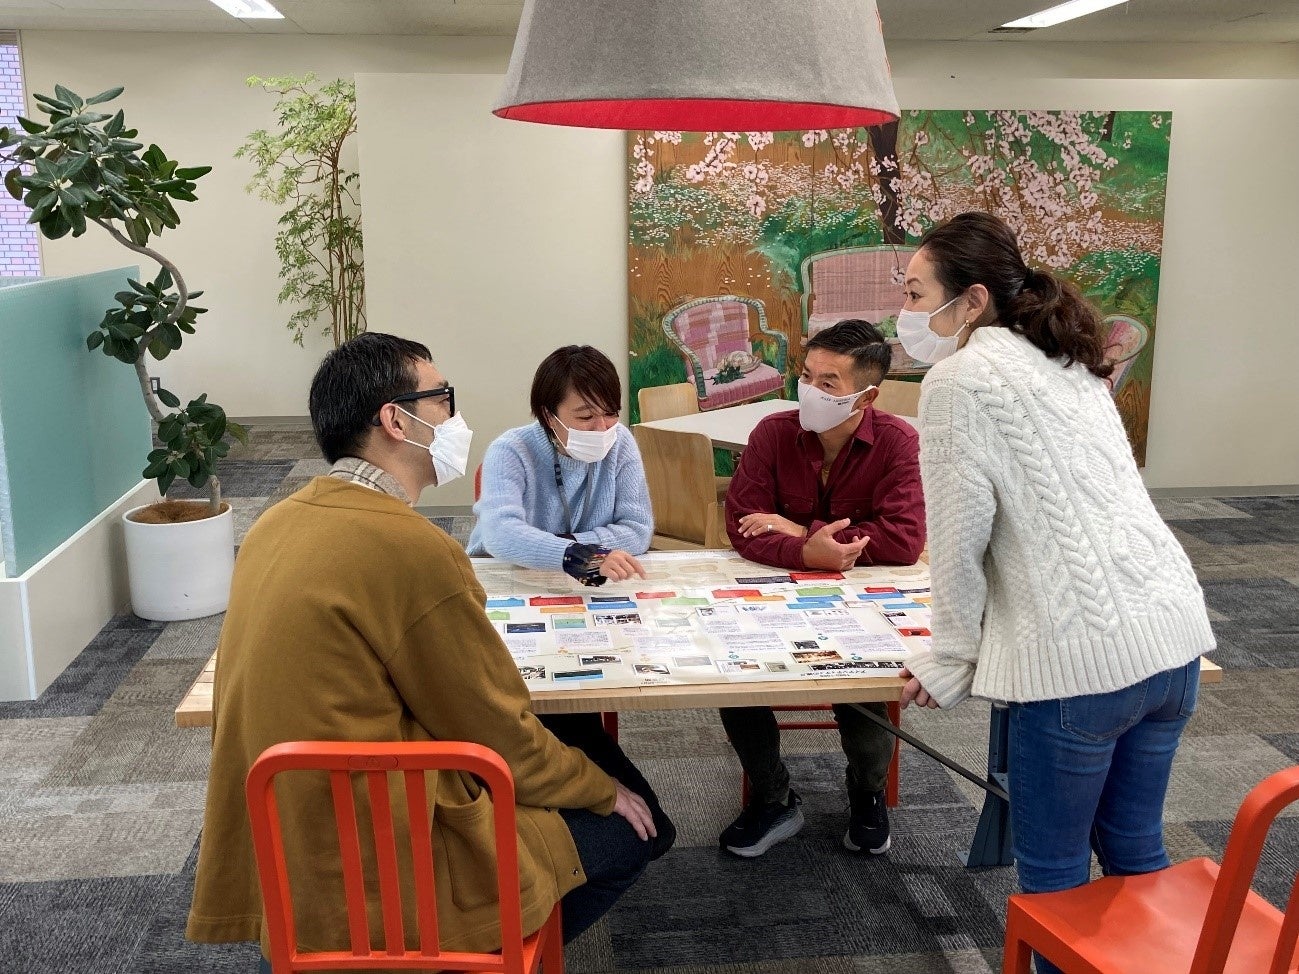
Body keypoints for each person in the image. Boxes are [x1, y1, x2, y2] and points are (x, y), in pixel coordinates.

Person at [186, 334, 658, 964]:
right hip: (389, 846)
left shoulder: (273, 525)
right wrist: (601, 791)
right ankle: (475, 960)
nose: (455, 418)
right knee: (639, 831)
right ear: (395, 420)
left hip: (287, 834)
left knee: (568, 739)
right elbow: (495, 730)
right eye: (443, 400)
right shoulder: (413, 548)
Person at [895, 212, 1214, 974]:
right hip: (1172, 639)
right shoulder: (1067, 359)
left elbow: (958, 542)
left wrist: (951, 658)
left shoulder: (957, 381)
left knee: (1055, 887)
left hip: (1078, 666)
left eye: (914, 293)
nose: (903, 313)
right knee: (1136, 853)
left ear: (972, 300)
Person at [719, 319, 926, 858]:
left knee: (866, 680)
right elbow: (741, 524)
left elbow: (905, 539)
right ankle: (772, 797)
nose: (809, 390)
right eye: (807, 376)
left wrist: (798, 532)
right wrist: (807, 553)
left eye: (828, 383)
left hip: (858, 598)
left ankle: (867, 794)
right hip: (773, 591)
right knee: (733, 677)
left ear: (867, 395)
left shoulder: (898, 441)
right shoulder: (772, 433)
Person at [468, 344, 675, 859]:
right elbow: (498, 534)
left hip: (583, 597)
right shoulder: (512, 450)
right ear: (548, 414)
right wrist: (573, 553)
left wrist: (564, 548)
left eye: (610, 413)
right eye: (585, 416)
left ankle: (565, 780)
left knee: (593, 683)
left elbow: (638, 528)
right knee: (524, 700)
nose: (601, 428)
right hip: (508, 595)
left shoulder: (620, 443)